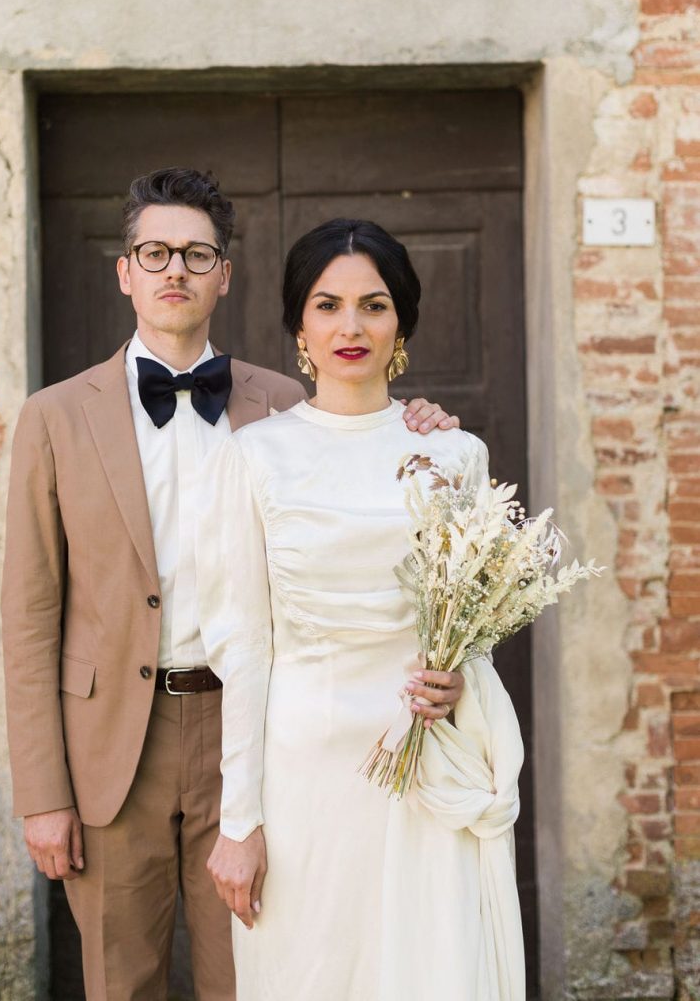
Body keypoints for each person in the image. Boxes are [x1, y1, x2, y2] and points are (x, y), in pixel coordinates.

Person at [0, 169, 466, 1001]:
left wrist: (424, 423)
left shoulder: (285, 404)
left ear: (224, 272)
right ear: (125, 270)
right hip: (114, 746)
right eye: (154, 251)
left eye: (195, 253)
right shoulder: (54, 417)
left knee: (254, 978)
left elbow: (368, 444)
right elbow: (30, 616)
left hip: (260, 735)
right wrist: (42, 793)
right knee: (121, 984)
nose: (174, 269)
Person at [198, 218, 526, 1001]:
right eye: (328, 304)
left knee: (426, 968)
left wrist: (459, 680)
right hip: (304, 767)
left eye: (373, 305)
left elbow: (471, 625)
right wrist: (238, 818)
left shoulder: (456, 454)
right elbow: (243, 646)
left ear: (401, 323)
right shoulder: (254, 456)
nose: (351, 326)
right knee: (311, 969)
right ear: (299, 326)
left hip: (425, 759)